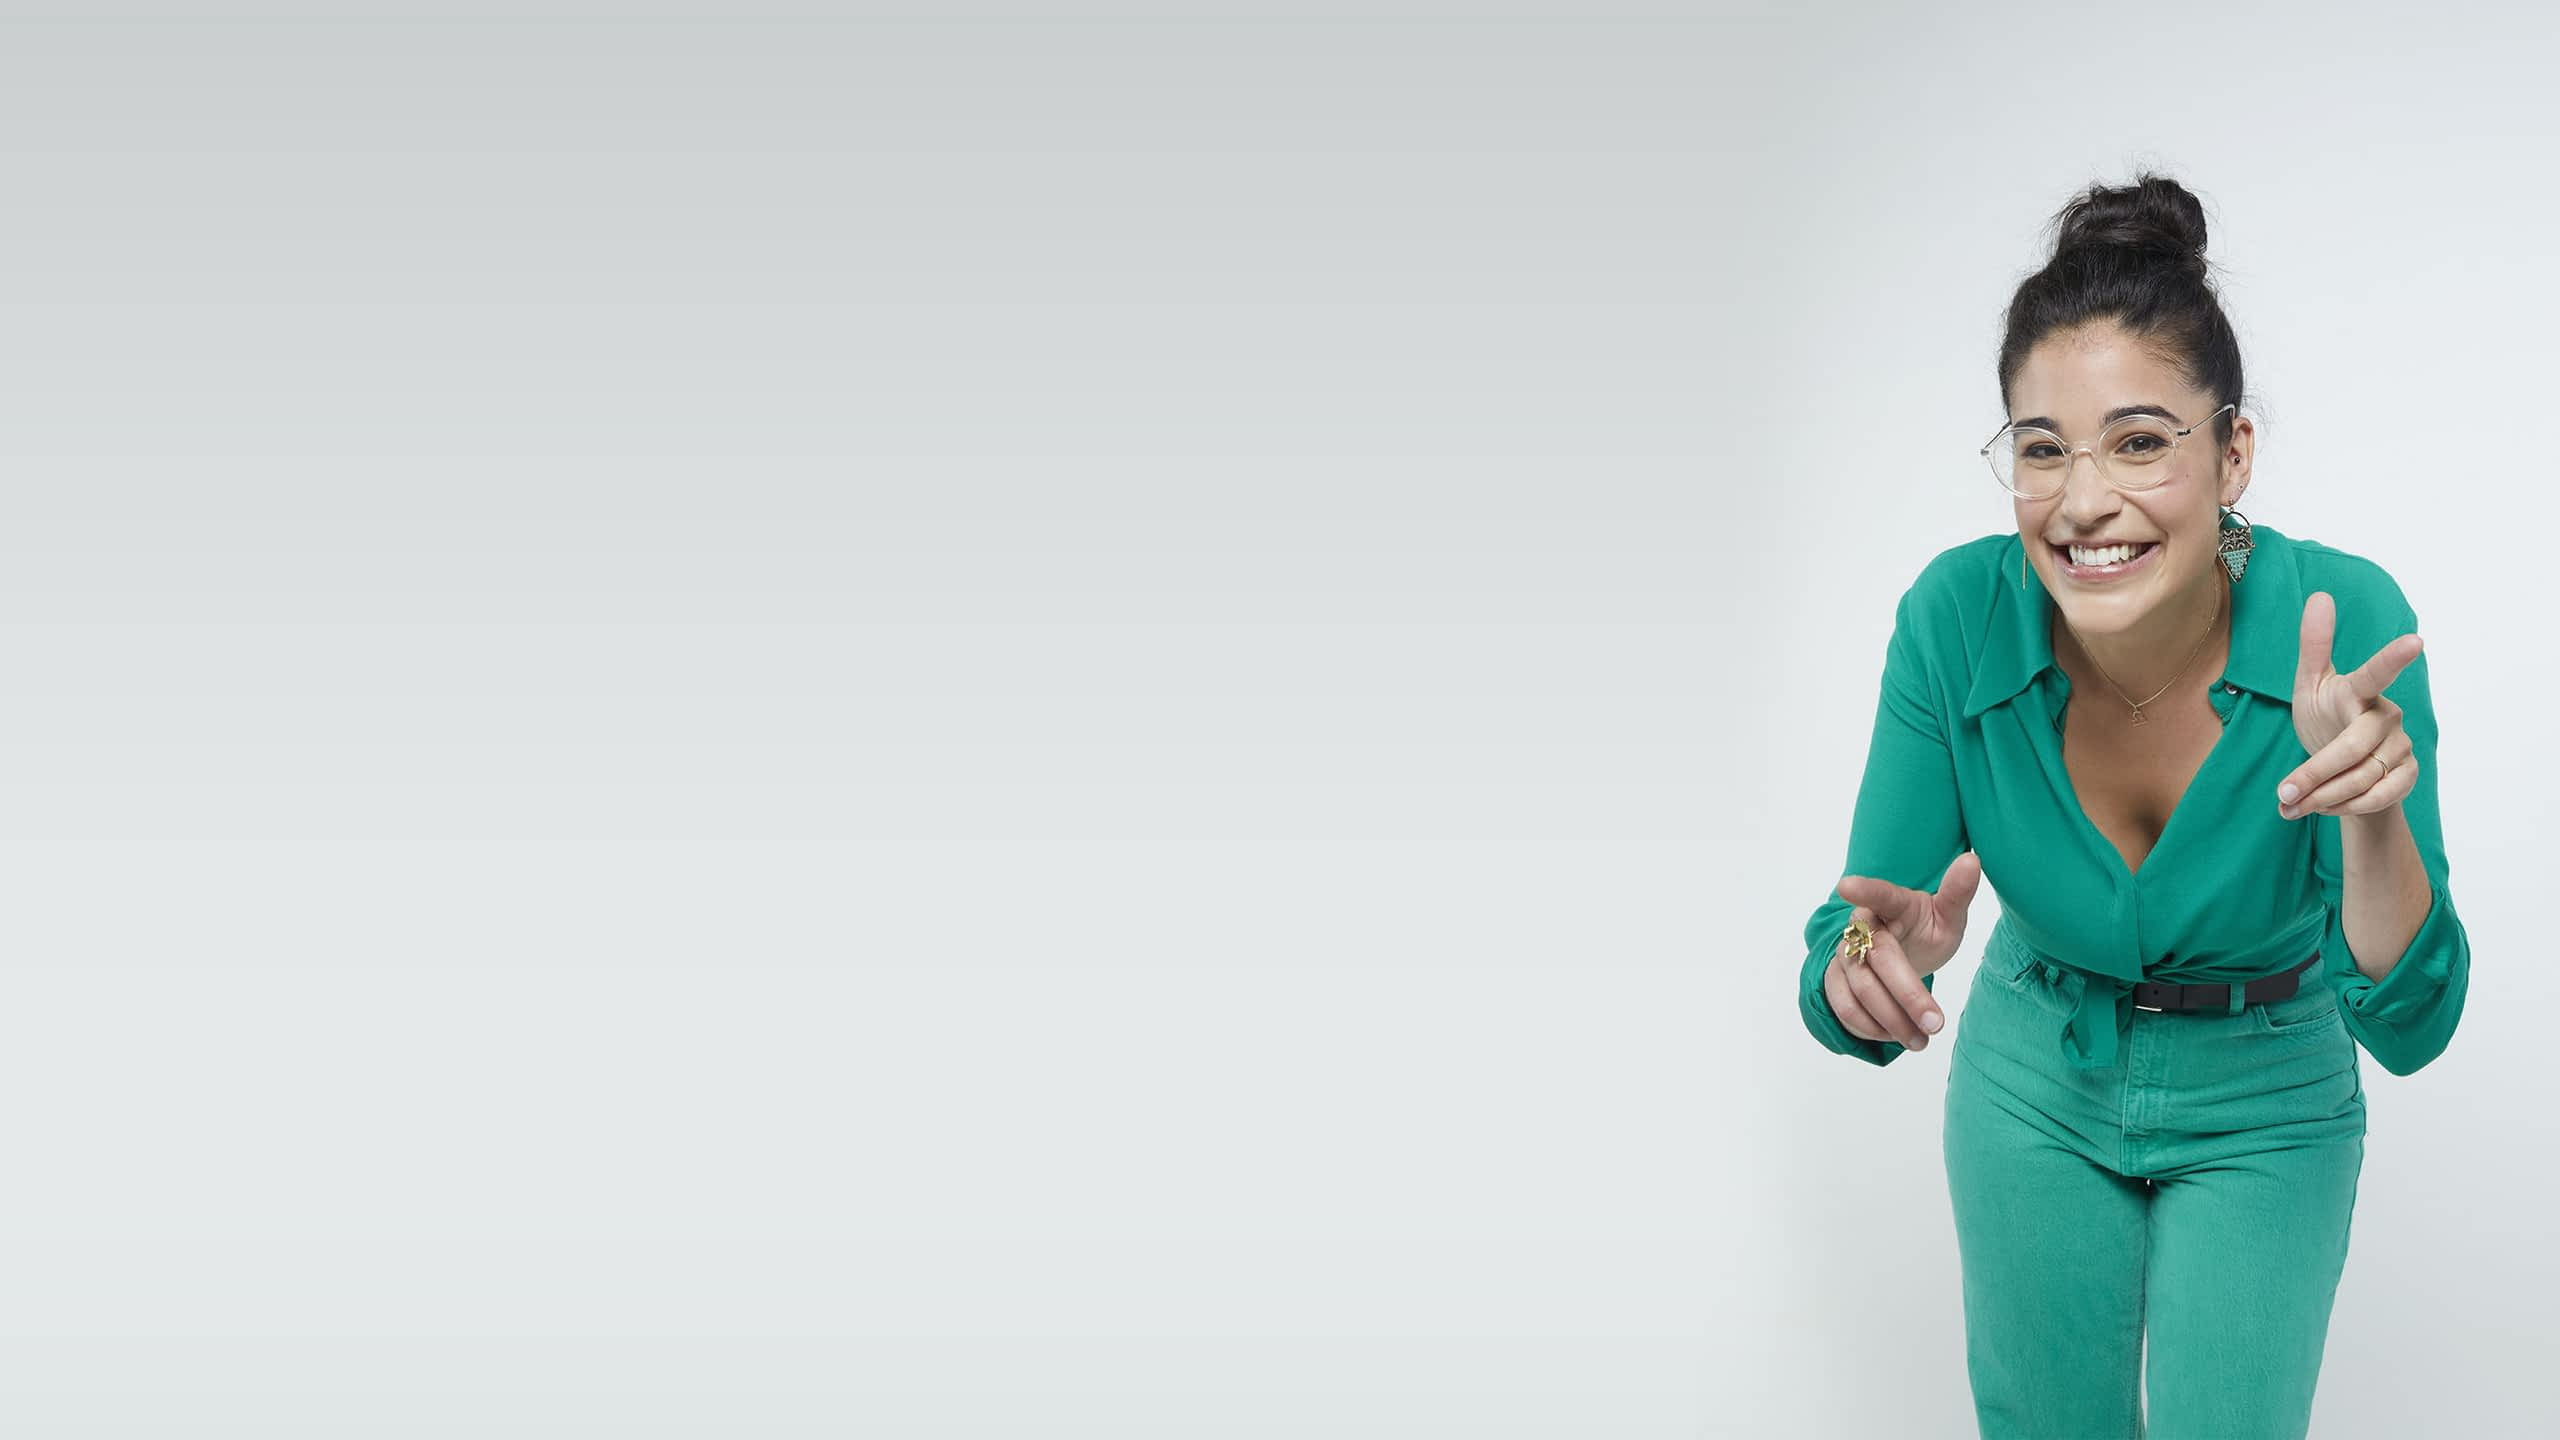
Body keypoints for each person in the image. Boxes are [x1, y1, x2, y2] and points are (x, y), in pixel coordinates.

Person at [1794, 172, 2471, 1440]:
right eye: (2041, 448)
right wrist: (1862, 965)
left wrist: (2372, 816)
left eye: (2141, 441)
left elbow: (2413, 1021)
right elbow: (1852, 933)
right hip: (2031, 1075)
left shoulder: (2344, 624)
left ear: (2232, 454)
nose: (2082, 499)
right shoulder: (1954, 616)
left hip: (2266, 1092)